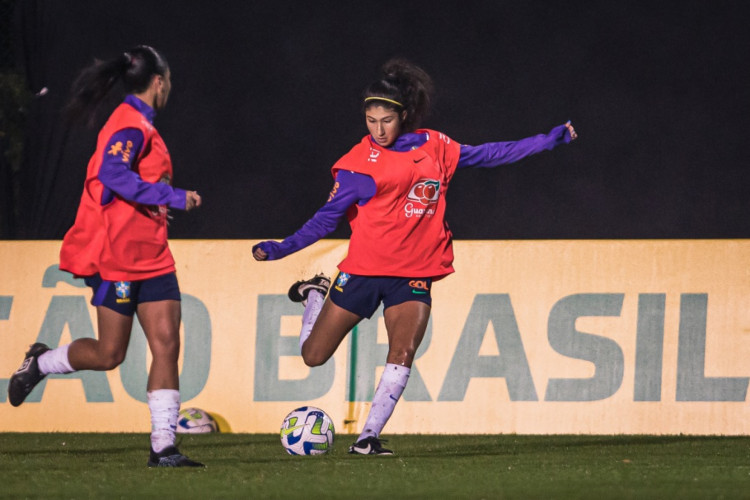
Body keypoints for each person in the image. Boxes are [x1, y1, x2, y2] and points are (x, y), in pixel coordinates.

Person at [253, 58, 578, 455]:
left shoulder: (436, 146)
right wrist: (280, 248)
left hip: (412, 273)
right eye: (370, 120)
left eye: (385, 120)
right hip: (364, 272)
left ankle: (367, 439)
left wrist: (549, 139)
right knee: (313, 357)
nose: (377, 129)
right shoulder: (358, 166)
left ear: (402, 115)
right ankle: (315, 295)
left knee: (402, 352)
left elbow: (489, 154)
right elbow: (324, 222)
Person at [7, 46, 204, 468]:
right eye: (168, 82)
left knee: (167, 344)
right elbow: (114, 177)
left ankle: (163, 447)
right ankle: (41, 362)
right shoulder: (130, 124)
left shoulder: (139, 123)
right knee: (109, 354)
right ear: (159, 82)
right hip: (118, 258)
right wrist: (174, 197)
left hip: (153, 256)